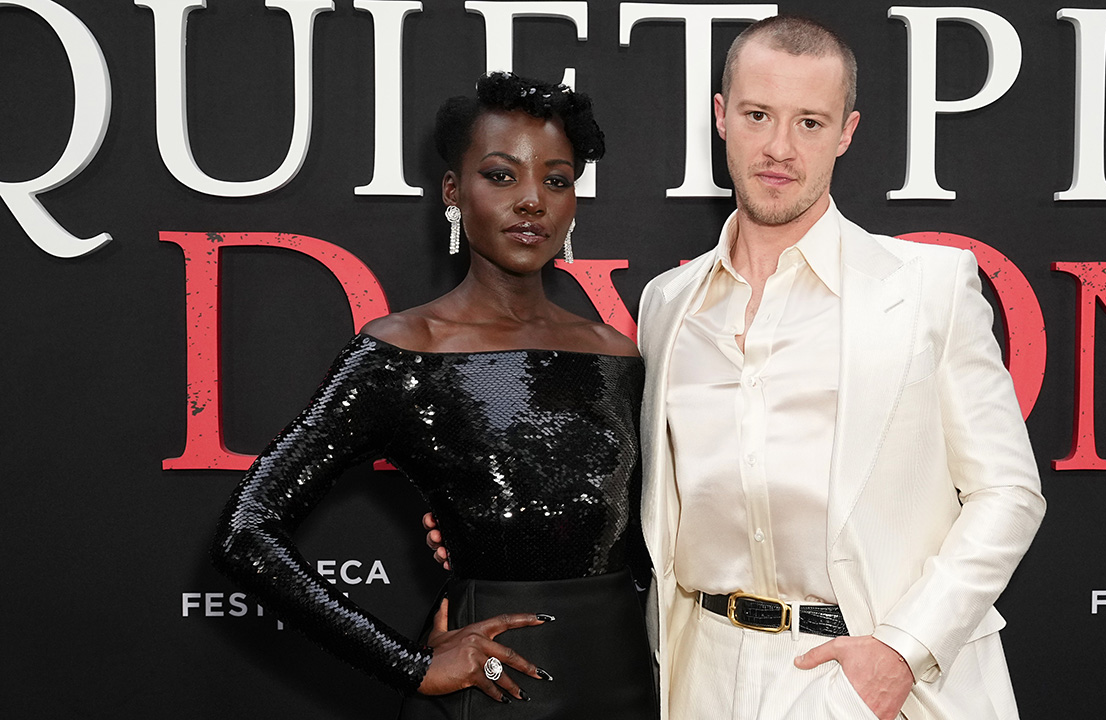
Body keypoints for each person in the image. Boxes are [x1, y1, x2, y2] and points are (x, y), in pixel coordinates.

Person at [432, 14, 1044, 720]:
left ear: (846, 132)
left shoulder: (928, 287)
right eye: (758, 114)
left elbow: (1008, 495)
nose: (780, 148)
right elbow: (643, 500)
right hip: (702, 678)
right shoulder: (668, 304)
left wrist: (902, 651)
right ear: (723, 117)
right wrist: (492, 514)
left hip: (873, 679)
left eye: (810, 123)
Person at [212, 71, 658, 720]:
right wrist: (409, 665)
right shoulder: (402, 352)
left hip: (627, 681)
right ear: (453, 190)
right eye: (502, 175)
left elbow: (659, 536)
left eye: (556, 180)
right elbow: (248, 530)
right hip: (497, 692)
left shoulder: (618, 354)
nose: (532, 200)